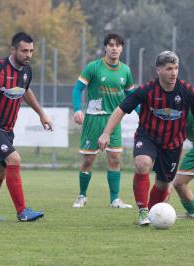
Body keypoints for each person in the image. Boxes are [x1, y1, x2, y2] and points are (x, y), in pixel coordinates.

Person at [98, 50, 194, 226]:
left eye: (176, 68)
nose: (173, 72)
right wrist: (106, 133)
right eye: (169, 68)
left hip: (173, 144)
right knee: (142, 163)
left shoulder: (188, 91)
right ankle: (143, 211)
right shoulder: (146, 90)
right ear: (158, 70)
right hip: (148, 137)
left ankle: (153, 213)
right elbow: (120, 110)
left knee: (163, 184)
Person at [0, 32, 53, 221]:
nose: (28, 55)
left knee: (0, 169)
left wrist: (41, 114)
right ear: (13, 49)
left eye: (31, 51)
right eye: (24, 50)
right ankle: (22, 211)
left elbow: (26, 91)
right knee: (14, 159)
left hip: (7, 128)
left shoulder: (26, 71)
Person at [72, 33, 134, 209]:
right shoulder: (93, 67)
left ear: (122, 48)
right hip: (93, 118)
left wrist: (142, 112)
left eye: (118, 45)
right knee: (88, 161)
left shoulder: (126, 71)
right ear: (105, 47)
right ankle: (82, 196)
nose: (115, 48)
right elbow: (78, 89)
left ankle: (115, 199)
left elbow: (131, 96)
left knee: (115, 159)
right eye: (111, 45)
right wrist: (77, 109)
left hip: (114, 121)